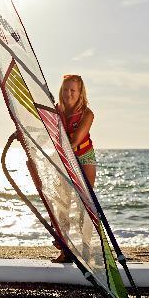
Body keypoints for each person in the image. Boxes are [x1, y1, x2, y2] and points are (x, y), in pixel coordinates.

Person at [53, 74, 96, 263]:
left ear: (80, 94)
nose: (68, 94)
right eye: (65, 90)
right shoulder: (55, 111)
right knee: (62, 204)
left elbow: (75, 140)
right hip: (64, 157)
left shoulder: (87, 114)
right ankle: (66, 251)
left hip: (83, 156)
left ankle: (86, 250)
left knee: (84, 205)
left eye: (73, 90)